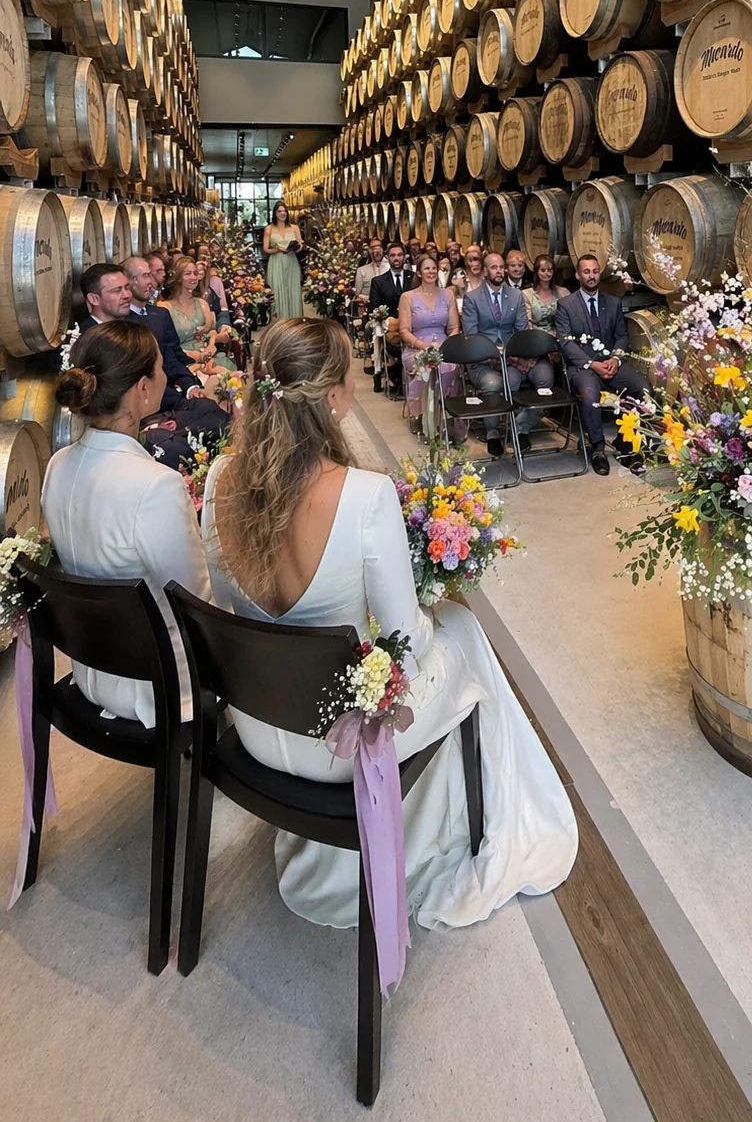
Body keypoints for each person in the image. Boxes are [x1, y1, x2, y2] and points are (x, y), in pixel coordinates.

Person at [200, 317, 577, 936]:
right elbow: (408, 643)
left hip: (261, 723)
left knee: (447, 633)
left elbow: (234, 605)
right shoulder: (365, 495)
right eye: (349, 374)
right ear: (331, 399)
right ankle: (473, 817)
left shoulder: (220, 481)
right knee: (461, 630)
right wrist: (421, 600)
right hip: (337, 748)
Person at [43, 319, 212, 726]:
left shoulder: (57, 464)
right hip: (156, 681)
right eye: (158, 368)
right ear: (142, 388)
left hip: (90, 665)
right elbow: (196, 599)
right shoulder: (154, 485)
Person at [83, 261, 230, 462]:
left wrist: (188, 389)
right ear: (94, 298)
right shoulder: (86, 339)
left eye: (126, 288)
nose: (126, 295)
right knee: (181, 444)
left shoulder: (132, 326)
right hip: (128, 424)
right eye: (117, 290)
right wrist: (146, 425)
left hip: (160, 404)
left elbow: (165, 365)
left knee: (212, 413)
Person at [555, 254, 647, 477]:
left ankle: (626, 444)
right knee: (589, 394)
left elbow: (622, 336)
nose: (591, 276)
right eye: (586, 272)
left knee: (642, 388)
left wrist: (615, 359)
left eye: (595, 271)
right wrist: (591, 363)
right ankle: (597, 448)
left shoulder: (613, 303)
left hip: (610, 364)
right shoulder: (566, 305)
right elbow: (565, 343)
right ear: (578, 275)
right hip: (583, 367)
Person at [461, 253, 553, 456]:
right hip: (482, 359)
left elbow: (521, 332)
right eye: (494, 268)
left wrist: (517, 355)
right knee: (495, 383)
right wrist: (495, 353)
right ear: (485, 271)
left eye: (501, 267)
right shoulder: (472, 298)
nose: (499, 271)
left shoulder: (515, 296)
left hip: (512, 358)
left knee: (546, 375)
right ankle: (493, 432)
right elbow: (472, 336)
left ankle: (520, 427)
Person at [398, 254, 465, 436]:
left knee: (449, 365)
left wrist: (443, 346)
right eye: (427, 268)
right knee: (426, 365)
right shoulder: (408, 297)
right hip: (416, 348)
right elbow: (404, 331)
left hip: (444, 347)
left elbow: (454, 328)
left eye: (434, 268)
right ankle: (419, 414)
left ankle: (444, 416)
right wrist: (425, 347)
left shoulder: (448, 294)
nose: (431, 271)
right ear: (419, 273)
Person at [162, 258, 237, 373]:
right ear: (177, 278)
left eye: (195, 273)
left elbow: (211, 332)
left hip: (207, 355)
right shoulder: (165, 308)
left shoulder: (202, 303)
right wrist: (198, 357)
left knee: (229, 375)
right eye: (188, 274)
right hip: (182, 360)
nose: (193, 277)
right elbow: (166, 347)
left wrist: (212, 342)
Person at [367, 241, 412, 395]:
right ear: (388, 257)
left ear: (404, 257)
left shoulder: (413, 279)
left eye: (399, 255)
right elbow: (374, 308)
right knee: (390, 337)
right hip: (390, 326)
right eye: (392, 255)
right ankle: (394, 374)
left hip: (413, 324)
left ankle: (402, 377)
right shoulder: (378, 282)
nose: (396, 258)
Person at [263, 200, 304, 320]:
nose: (282, 213)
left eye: (284, 211)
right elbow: (266, 249)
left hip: (291, 261)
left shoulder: (294, 228)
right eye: (279, 211)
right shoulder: (269, 229)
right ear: (275, 213)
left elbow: (300, 244)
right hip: (276, 262)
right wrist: (276, 249)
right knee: (277, 289)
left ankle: (295, 320)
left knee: (293, 290)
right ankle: (279, 320)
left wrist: (297, 248)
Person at [523, 254, 570, 336]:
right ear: (536, 272)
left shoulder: (563, 292)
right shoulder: (526, 294)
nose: (547, 273)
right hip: (535, 337)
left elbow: (568, 320)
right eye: (543, 270)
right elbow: (527, 324)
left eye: (549, 270)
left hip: (558, 336)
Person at [353, 236, 389, 303]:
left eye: (378, 247)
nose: (376, 251)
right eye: (373, 248)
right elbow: (357, 295)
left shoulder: (390, 268)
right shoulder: (362, 270)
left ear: (382, 249)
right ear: (369, 250)